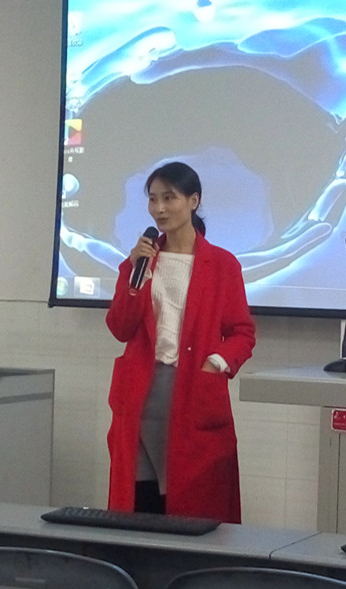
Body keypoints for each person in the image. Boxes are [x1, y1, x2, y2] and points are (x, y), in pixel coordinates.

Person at [105, 161, 255, 523]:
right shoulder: (139, 262)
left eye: (169, 198)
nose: (159, 208)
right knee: (140, 498)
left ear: (193, 201)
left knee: (190, 499)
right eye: (153, 199)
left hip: (193, 388)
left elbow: (242, 332)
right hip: (142, 390)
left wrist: (216, 363)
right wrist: (135, 277)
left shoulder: (222, 264)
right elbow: (120, 328)